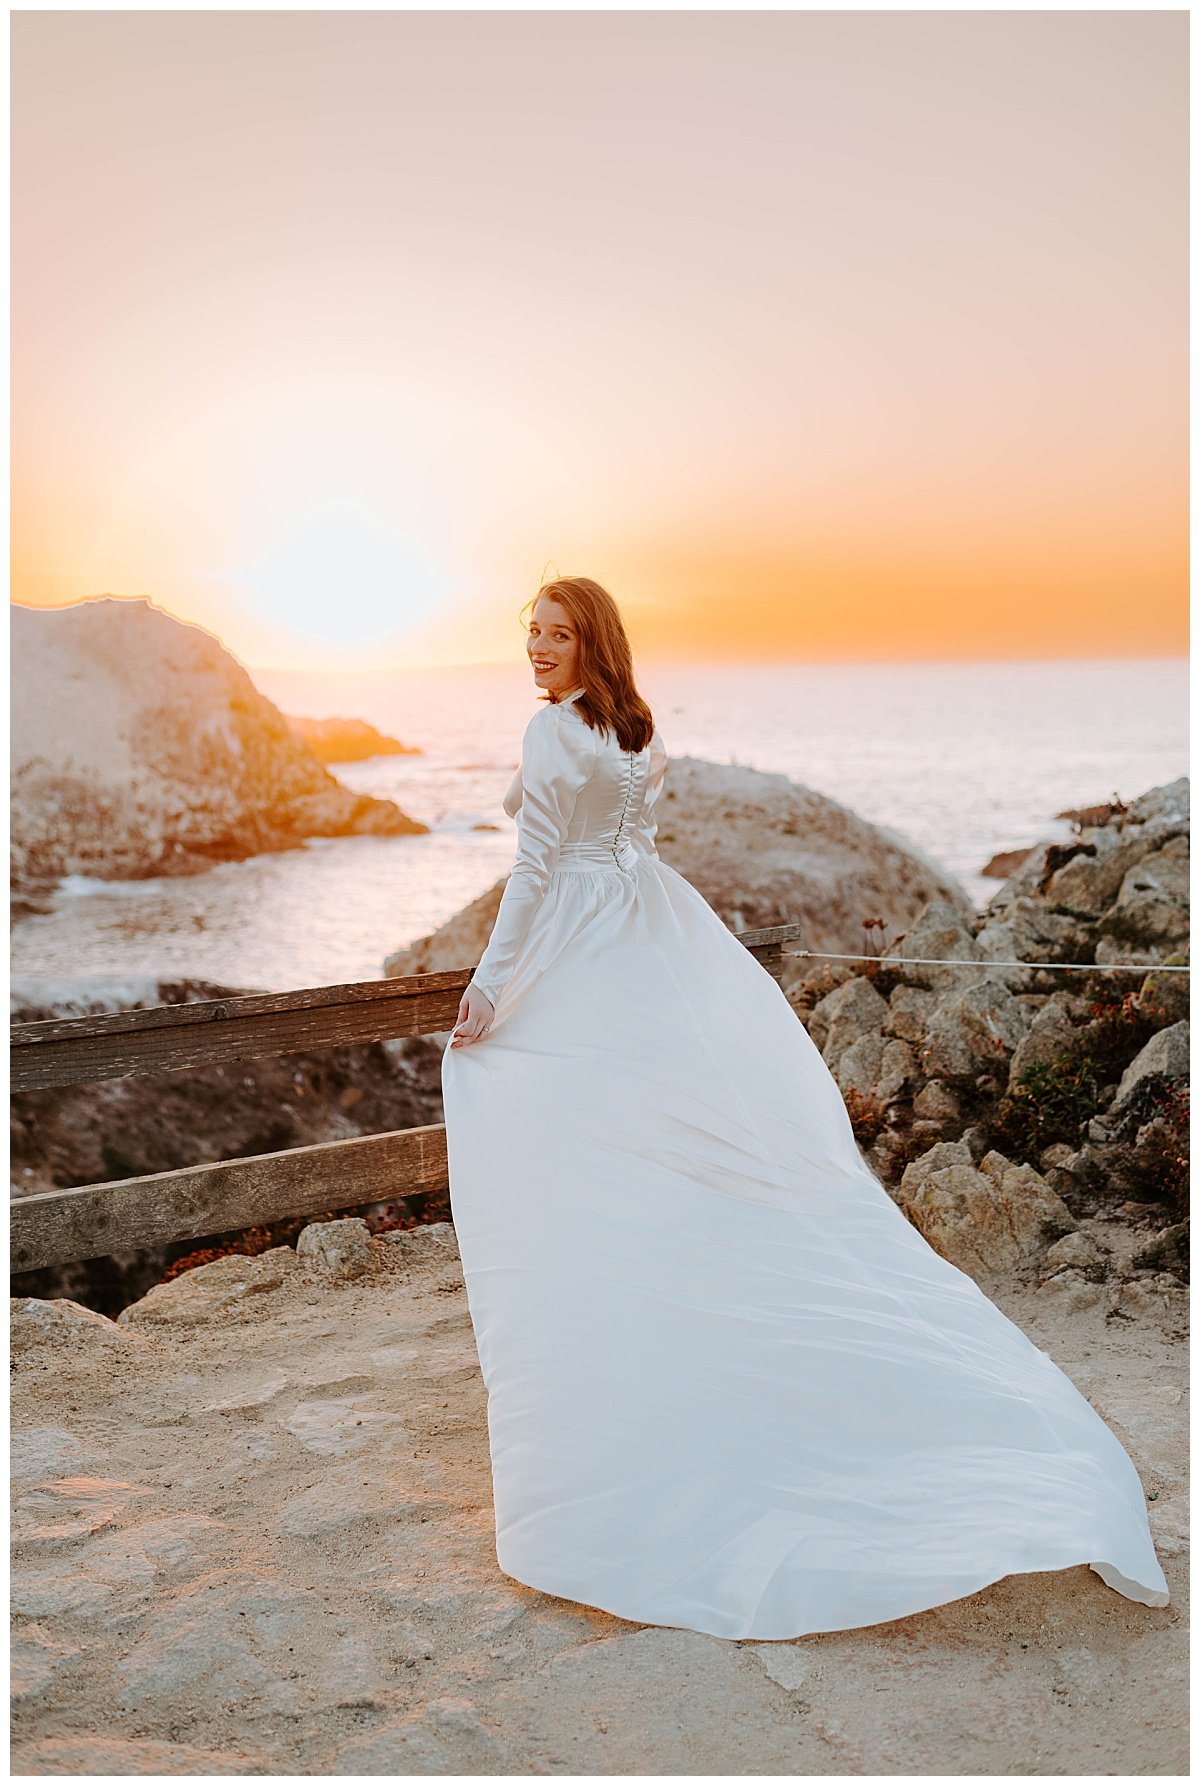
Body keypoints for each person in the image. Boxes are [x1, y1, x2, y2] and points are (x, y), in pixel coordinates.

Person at [439, 575, 1170, 1643]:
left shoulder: (554, 735)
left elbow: (537, 864)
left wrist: (492, 986)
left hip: (592, 945)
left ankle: (628, 1369)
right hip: (657, 936)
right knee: (671, 1137)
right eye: (531, 635)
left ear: (590, 639)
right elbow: (603, 832)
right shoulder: (632, 729)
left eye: (556, 634)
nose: (538, 650)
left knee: (562, 1123)